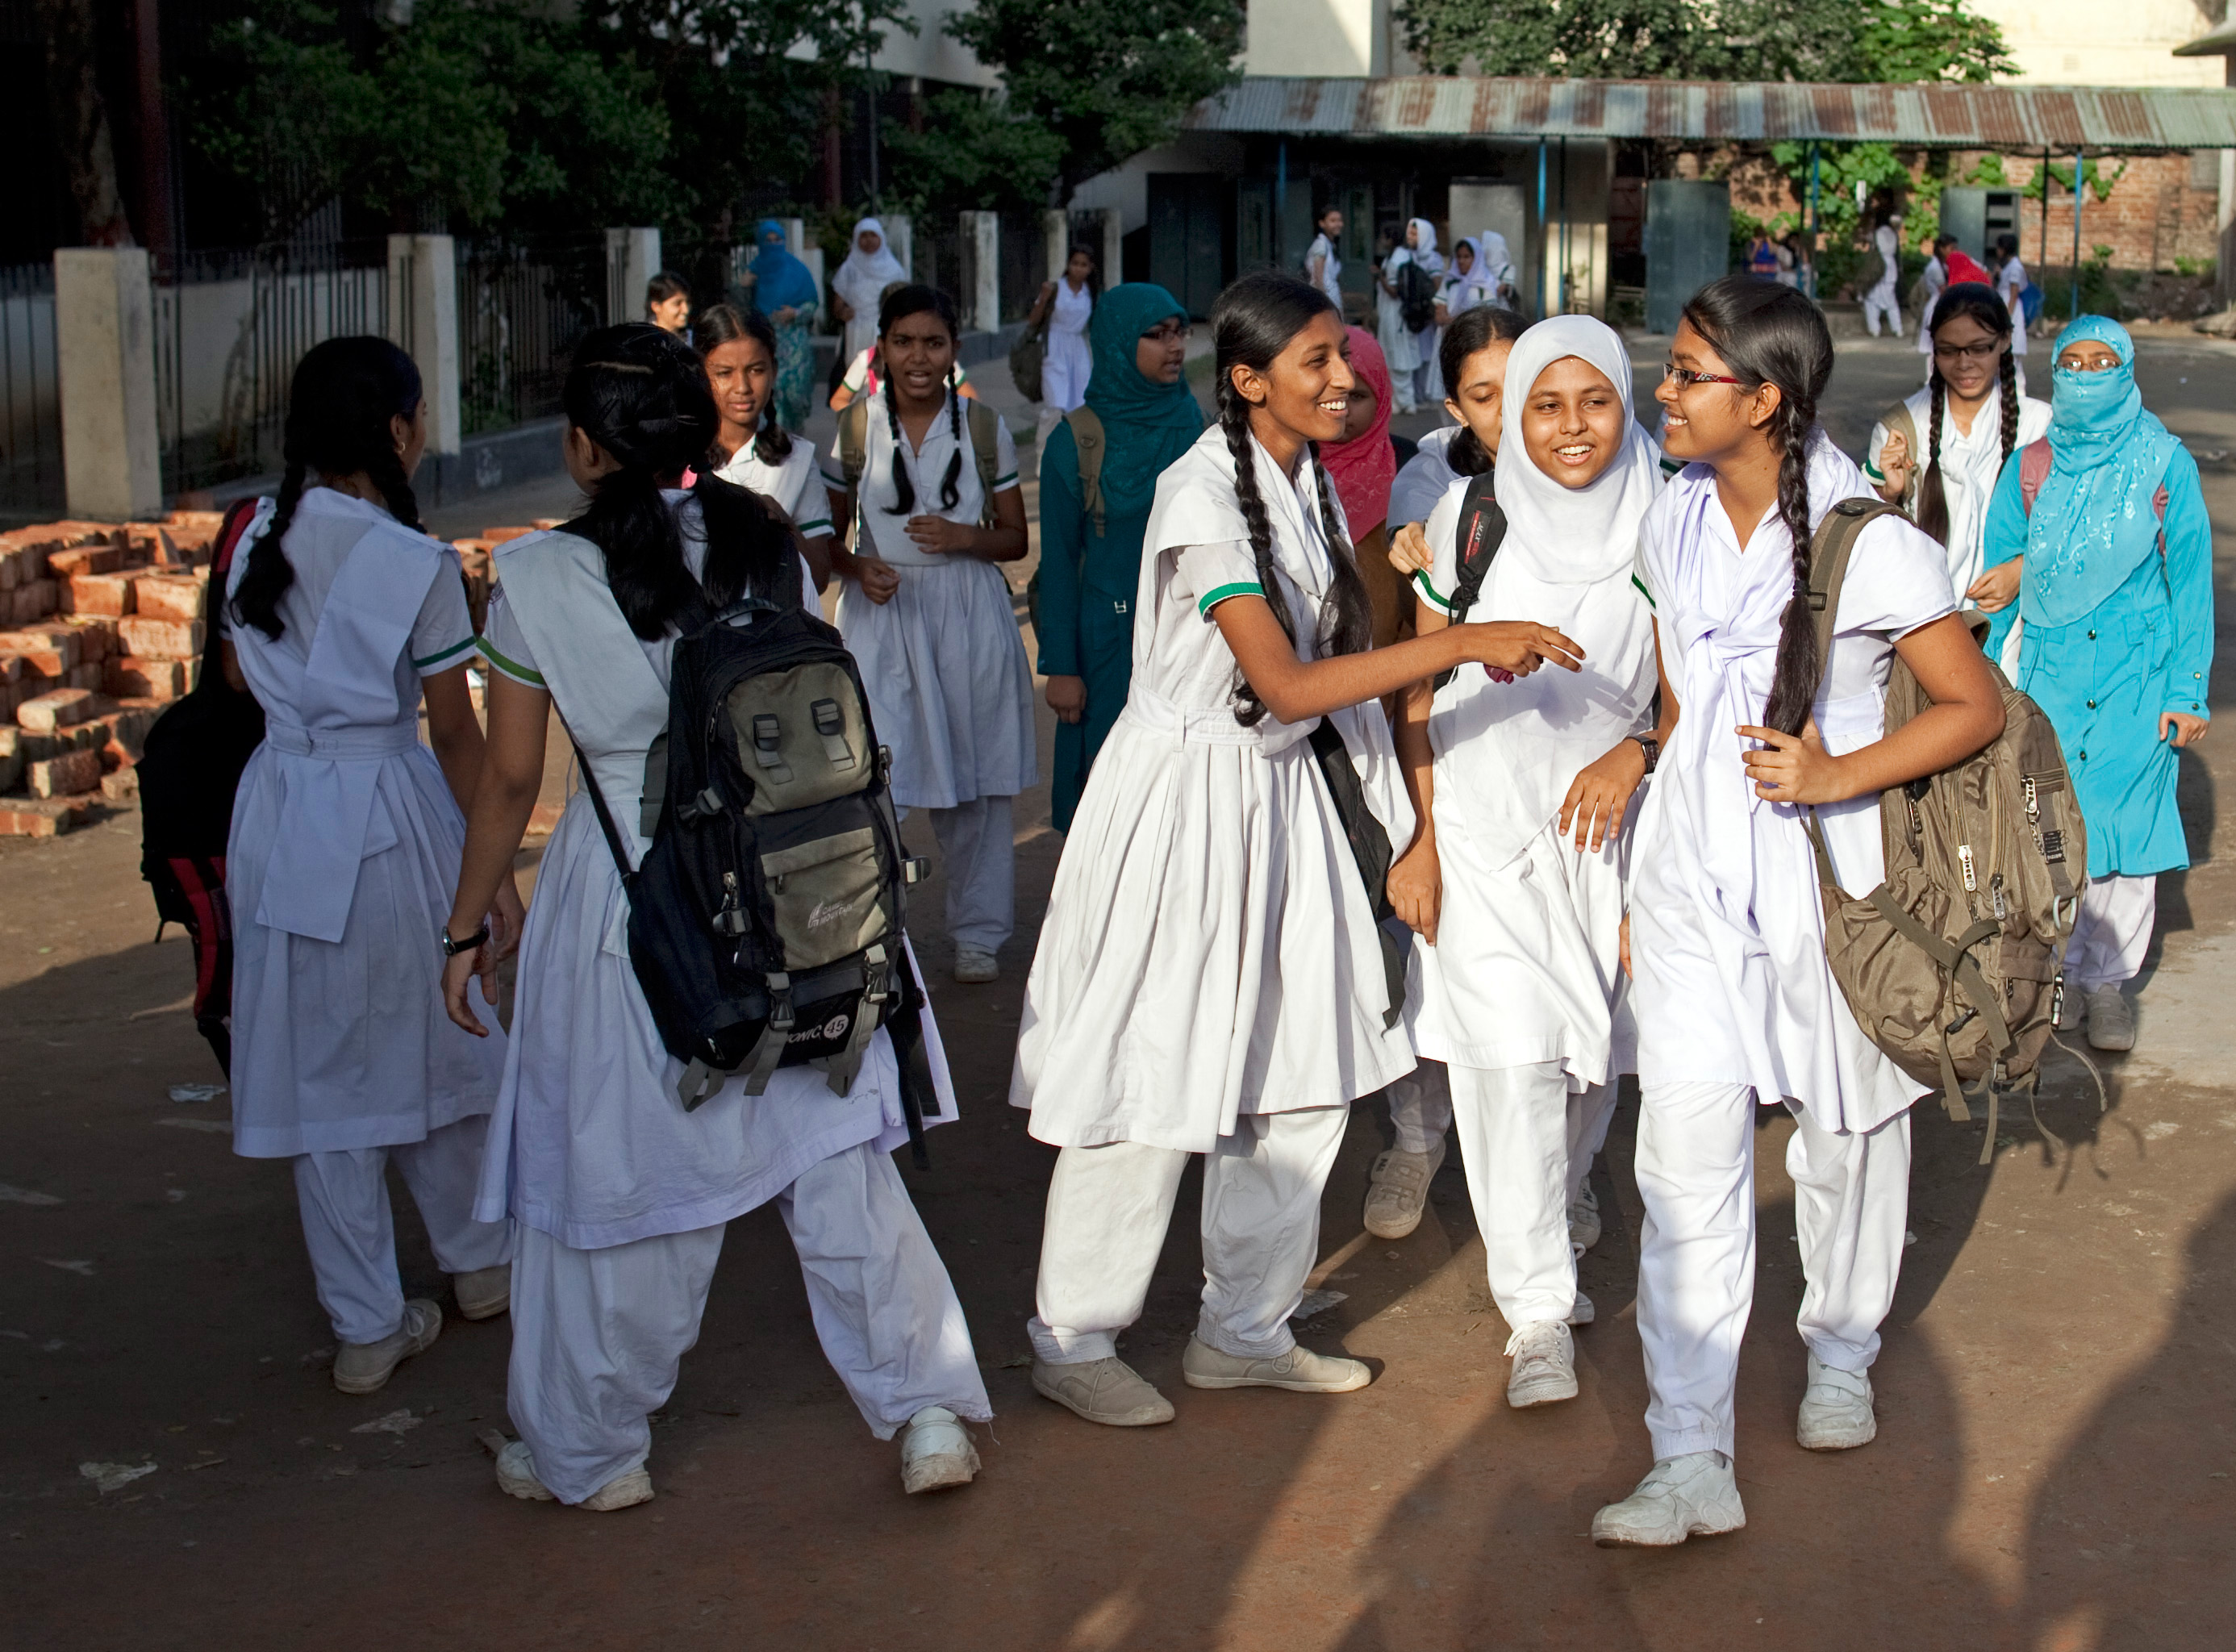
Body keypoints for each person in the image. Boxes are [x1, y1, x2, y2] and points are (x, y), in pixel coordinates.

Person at [1010, 269, 1585, 1431]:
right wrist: (1462, 642)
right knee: (1153, 1068)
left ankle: (1244, 1328)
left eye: (1345, 358)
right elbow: (1279, 685)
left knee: (1301, 1072)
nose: (1345, 379)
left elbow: (1332, 660)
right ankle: (1071, 1333)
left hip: (1283, 804)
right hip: (1187, 807)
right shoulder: (1201, 496)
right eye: (1316, 361)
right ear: (1248, 380)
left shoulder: (1305, 478)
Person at [447, 323, 990, 1510]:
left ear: (584, 449)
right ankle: (927, 1408)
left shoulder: (536, 580)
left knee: (633, 1181)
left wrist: (470, 921)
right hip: (804, 884)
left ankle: (591, 1453)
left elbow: (505, 784)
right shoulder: (767, 546)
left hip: (641, 906)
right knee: (840, 1161)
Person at [1595, 277, 2006, 1546]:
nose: (1658, 393)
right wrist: (1644, 763)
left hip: (1836, 884)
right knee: (1682, 1159)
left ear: (1763, 399)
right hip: (1688, 888)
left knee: (1849, 1130)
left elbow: (1971, 705)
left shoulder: (1871, 537)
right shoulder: (1666, 522)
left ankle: (1841, 1348)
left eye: (1684, 373)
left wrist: (1831, 776)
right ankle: (1688, 1453)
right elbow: (1684, 694)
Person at [221, 336, 515, 1396]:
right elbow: (455, 735)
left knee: (323, 1067)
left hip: (283, 806)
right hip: (392, 810)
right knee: (448, 1035)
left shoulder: (254, 528)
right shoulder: (418, 563)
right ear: (394, 429)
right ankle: (482, 1263)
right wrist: (498, 881)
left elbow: (235, 675)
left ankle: (366, 1323)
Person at [1391, 316, 1660, 1410]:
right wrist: (1419, 832)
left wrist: (1638, 752)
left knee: (1592, 1065)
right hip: (1482, 825)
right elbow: (1415, 682)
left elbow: (1702, 687)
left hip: (1613, 837)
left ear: (1629, 399)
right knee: (1508, 1068)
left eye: (1593, 401)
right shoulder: (1467, 517)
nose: (1568, 429)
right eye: (1543, 406)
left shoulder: (1671, 519)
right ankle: (1537, 1313)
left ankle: (1560, 1200)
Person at [1975, 316, 2213, 1053]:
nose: (2085, 374)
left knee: (2126, 834)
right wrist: (1977, 679)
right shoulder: (2031, 466)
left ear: (2128, 368)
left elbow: (2192, 582)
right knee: (2052, 826)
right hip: (2050, 674)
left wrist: (2189, 689)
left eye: (2102, 362)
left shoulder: (2166, 463)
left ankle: (2107, 986)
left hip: (2139, 678)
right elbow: (2000, 575)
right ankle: (2058, 975)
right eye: (2072, 363)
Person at [1368, 303, 1537, 1244]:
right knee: (1434, 956)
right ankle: (1416, 1138)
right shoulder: (1437, 480)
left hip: (1566, 771)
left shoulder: (1619, 466)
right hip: (1457, 749)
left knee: (1565, 982)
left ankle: (1561, 1176)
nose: (1512, 413)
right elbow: (1418, 634)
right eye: (1485, 394)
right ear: (1453, 403)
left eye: (1526, 386)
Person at [822, 285, 1035, 984]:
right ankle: (871, 930)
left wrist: (962, 536)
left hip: (967, 617)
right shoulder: (854, 430)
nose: (919, 357)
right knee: (872, 778)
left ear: (954, 352)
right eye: (904, 342)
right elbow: (826, 539)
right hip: (883, 620)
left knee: (976, 786)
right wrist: (858, 566)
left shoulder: (980, 426)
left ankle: (978, 933)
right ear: (880, 348)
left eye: (934, 343)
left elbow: (1012, 538)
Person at [1037, 284, 1201, 833]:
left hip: (1183, 634)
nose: (1173, 347)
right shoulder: (1074, 441)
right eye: (1156, 335)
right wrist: (1061, 667)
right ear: (1115, 343)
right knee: (1107, 793)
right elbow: (1058, 563)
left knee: (1178, 791)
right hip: (1106, 640)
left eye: (1178, 332)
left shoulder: (1189, 421)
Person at [1863, 283, 2050, 606]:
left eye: (1979, 349)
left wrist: (2022, 570)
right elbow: (1868, 542)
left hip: (2016, 622)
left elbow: (2068, 524)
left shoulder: (2041, 425)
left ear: (2005, 341)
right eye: (1949, 351)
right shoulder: (1902, 426)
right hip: (1923, 618)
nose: (1964, 364)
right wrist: (1888, 494)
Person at [696, 302, 836, 588]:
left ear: (774, 369)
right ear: (701, 374)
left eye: (756, 370)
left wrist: (778, 519)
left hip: (771, 627)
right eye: (724, 373)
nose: (743, 387)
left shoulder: (795, 459)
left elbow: (820, 578)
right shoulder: (679, 457)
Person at [1384, 305, 1529, 551]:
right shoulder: (1431, 485)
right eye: (1484, 397)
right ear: (1458, 411)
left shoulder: (1581, 455)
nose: (1508, 409)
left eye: (1522, 387)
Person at [1322, 326, 1404, 648]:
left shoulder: (1407, 464)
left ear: (1382, 396)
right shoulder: (1290, 465)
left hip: (1389, 647)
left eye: (1357, 396)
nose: (1342, 407)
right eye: (1331, 393)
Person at [741, 219, 820, 432]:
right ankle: (776, 445)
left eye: (778, 240)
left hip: (795, 345)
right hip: (765, 342)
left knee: (796, 397)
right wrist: (745, 286)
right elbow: (739, 308)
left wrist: (795, 313)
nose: (774, 245)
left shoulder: (797, 270)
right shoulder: (753, 273)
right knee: (771, 397)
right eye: (768, 240)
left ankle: (796, 444)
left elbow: (812, 303)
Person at [1028, 244, 1098, 446]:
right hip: (1055, 348)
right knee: (1055, 404)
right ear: (1068, 265)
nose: (1079, 269)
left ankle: (1072, 451)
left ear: (1090, 268)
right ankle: (1044, 452)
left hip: (1078, 351)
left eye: (1084, 265)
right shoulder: (1056, 288)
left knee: (1080, 404)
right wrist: (1043, 298)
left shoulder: (1089, 292)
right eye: (1075, 263)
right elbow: (1033, 320)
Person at [829, 217, 907, 367]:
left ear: (881, 238)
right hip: (857, 328)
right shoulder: (849, 268)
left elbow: (902, 301)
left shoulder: (894, 270)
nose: (869, 240)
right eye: (863, 236)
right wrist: (843, 312)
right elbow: (838, 304)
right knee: (859, 371)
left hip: (886, 327)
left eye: (873, 235)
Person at [1375, 224, 1422, 415]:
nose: (1381, 241)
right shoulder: (1401, 256)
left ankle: (1405, 401)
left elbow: (1394, 292)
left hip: (1396, 314)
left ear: (1390, 239)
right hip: (1397, 313)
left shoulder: (1396, 260)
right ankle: (1401, 400)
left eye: (1384, 237)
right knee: (1397, 354)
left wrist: (1379, 277)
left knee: (1397, 356)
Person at [1405, 219, 1448, 406]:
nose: (1410, 237)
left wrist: (1435, 309)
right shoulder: (1409, 256)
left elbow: (1437, 285)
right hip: (1412, 313)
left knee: (1425, 353)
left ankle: (1423, 393)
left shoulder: (1433, 258)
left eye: (1415, 234)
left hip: (1426, 314)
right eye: (1410, 233)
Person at [1992, 233, 2034, 357]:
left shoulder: (2015, 267)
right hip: (2005, 304)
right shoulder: (2009, 266)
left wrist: (2008, 317)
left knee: (2012, 353)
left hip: (2011, 308)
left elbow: (2013, 294)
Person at [1862, 215, 1903, 339]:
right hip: (1890, 270)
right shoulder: (1893, 234)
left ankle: (1875, 329)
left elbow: (1867, 240)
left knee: (1871, 301)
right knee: (1891, 302)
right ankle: (1898, 329)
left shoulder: (1878, 233)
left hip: (1878, 268)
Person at [1306, 205, 1345, 315]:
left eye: (1339, 220)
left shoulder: (1330, 245)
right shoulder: (1321, 245)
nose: (1338, 224)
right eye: (1333, 221)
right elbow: (1318, 278)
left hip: (1332, 293)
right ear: (1322, 223)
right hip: (1325, 297)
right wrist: (1323, 303)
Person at [646, 272, 690, 336]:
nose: (686, 310)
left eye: (688, 302)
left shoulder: (694, 339)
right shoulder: (643, 340)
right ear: (656, 306)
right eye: (677, 304)